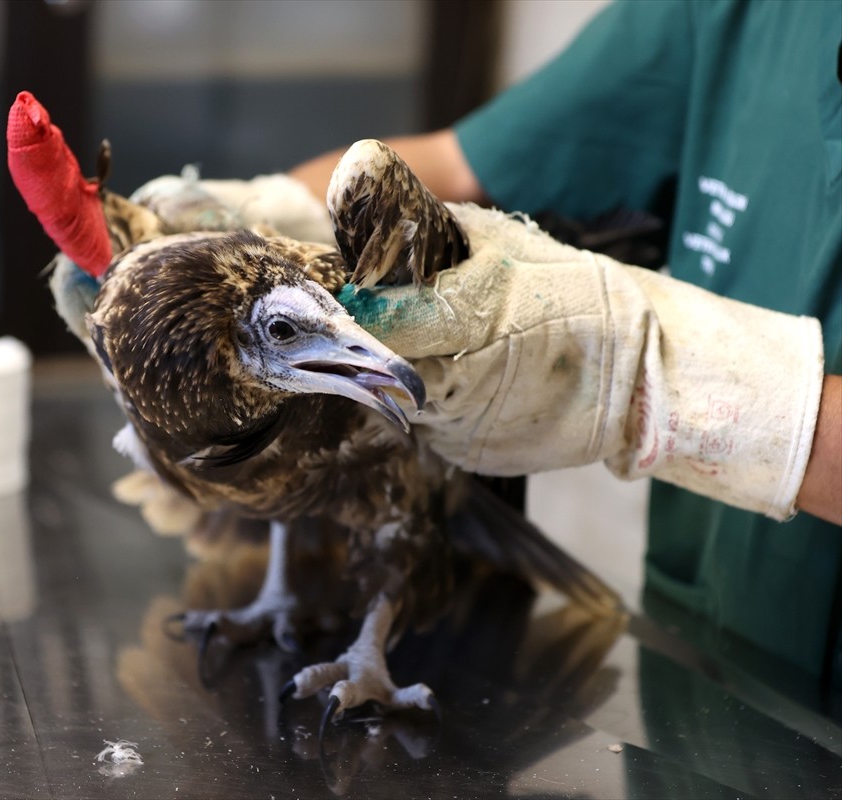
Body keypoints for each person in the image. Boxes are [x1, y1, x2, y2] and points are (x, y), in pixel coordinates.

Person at [289, 0, 841, 686]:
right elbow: (458, 167)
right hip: (716, 670)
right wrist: (241, 236)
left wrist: (655, 384)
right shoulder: (736, 14)